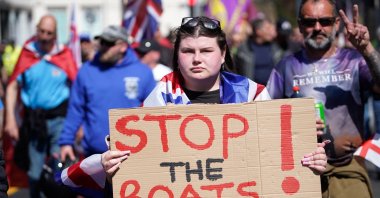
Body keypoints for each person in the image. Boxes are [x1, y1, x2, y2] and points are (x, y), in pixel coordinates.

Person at [56, 16, 328, 197]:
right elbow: (139, 166)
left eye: (206, 51)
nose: (197, 59)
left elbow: (276, 162)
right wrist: (112, 164)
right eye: (188, 51)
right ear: (177, 56)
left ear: (222, 55)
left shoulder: (253, 95)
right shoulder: (160, 96)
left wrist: (309, 159)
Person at [266, 1, 380, 197]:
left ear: (336, 24)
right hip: (302, 170)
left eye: (325, 21)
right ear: (300, 26)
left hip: (348, 170)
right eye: (310, 22)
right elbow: (264, 118)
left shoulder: (354, 61)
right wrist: (296, 126)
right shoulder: (286, 66)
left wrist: (367, 49)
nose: (317, 28)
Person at [58, 25, 156, 163]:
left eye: (108, 43)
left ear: (122, 46)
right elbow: (75, 109)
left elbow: (154, 111)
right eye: (101, 42)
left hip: (133, 155)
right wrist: (66, 141)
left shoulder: (143, 72)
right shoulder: (87, 70)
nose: (102, 46)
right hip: (94, 156)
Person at [4, 15, 77, 198]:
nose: (44, 36)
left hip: (59, 119)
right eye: (41, 31)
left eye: (49, 33)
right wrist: (10, 119)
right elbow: (13, 85)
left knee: (57, 168)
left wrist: (78, 123)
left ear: (55, 35)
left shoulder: (64, 55)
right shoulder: (28, 53)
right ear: (36, 30)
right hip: (34, 121)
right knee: (35, 171)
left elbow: (77, 87)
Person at [234, 17, 283, 85]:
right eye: (268, 28)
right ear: (258, 31)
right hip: (252, 91)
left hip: (272, 91)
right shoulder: (244, 50)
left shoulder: (275, 49)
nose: (271, 32)